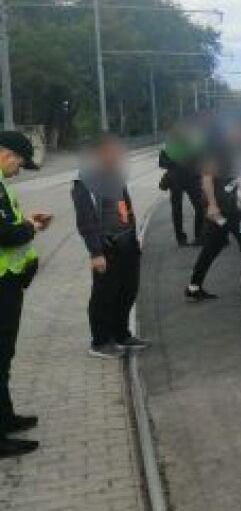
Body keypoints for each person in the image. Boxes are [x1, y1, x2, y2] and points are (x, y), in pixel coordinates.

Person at [72, 134, 149, 359]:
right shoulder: (84, 181)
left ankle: (121, 334)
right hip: (106, 246)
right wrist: (96, 252)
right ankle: (100, 341)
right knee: (104, 294)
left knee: (128, 289)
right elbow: (85, 219)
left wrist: (134, 238)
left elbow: (126, 208)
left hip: (127, 243)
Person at [0, 131, 51, 458]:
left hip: (8, 281)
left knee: (4, 357)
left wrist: (28, 223)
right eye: (19, 161)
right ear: (5, 153)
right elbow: (5, 234)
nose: (19, 168)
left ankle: (5, 418)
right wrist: (31, 228)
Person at [185, 120, 241, 301]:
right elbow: (206, 178)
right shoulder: (215, 151)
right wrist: (212, 205)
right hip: (223, 208)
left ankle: (194, 286)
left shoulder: (236, 150)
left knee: (216, 245)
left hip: (235, 207)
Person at [159, 118, 204, 247]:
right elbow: (162, 162)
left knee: (200, 206)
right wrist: (176, 162)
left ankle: (199, 235)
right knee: (177, 210)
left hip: (192, 179)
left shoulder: (194, 142)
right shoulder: (170, 144)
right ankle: (181, 238)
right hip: (176, 180)